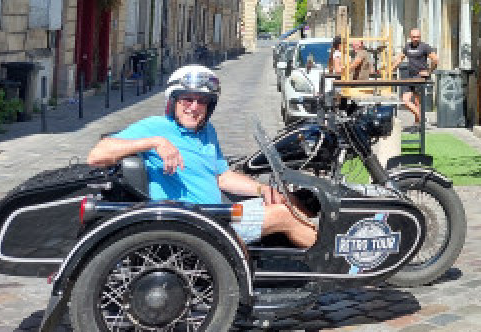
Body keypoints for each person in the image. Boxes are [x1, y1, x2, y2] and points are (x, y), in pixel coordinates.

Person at [86, 65, 317, 247]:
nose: (194, 107)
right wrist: (155, 142)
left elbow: (222, 177)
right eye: (187, 99)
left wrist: (263, 190)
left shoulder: (207, 131)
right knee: (284, 215)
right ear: (174, 102)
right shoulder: (156, 126)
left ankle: (308, 256)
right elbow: (96, 155)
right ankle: (337, 269)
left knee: (288, 200)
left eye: (202, 101)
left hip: (216, 214)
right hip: (195, 224)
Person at [392, 28, 438, 123]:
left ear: (420, 37)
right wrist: (391, 69)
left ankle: (418, 123)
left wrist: (429, 71)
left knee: (417, 101)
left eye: (418, 37)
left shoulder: (425, 47)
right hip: (410, 76)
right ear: (410, 37)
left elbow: (435, 59)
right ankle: (421, 117)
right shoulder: (407, 47)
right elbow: (400, 59)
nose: (416, 39)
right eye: (414, 37)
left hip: (420, 77)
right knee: (405, 100)